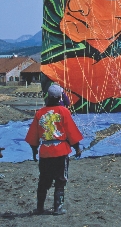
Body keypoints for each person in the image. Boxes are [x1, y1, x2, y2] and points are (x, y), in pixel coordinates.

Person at [25, 84, 83, 215]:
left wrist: (34, 151)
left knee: (44, 180)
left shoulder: (40, 113)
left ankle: (40, 208)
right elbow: (71, 131)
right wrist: (77, 148)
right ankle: (58, 208)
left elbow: (33, 135)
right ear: (60, 97)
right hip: (60, 151)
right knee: (60, 179)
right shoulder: (64, 112)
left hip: (45, 152)